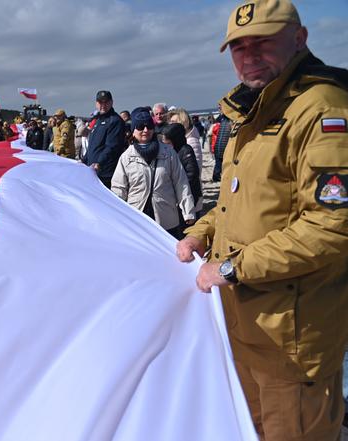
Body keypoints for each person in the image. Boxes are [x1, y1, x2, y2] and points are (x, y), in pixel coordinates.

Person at [177, 1, 348, 439]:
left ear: (299, 39)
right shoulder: (252, 111)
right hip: (244, 329)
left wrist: (233, 267)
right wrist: (202, 231)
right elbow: (242, 200)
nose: (249, 55)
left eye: (263, 42)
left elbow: (333, 226)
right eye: (239, 47)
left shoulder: (322, 109)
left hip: (291, 341)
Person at [111, 107, 194, 238]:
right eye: (140, 127)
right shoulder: (126, 157)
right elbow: (119, 188)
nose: (145, 130)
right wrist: (117, 216)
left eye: (149, 126)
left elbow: (181, 182)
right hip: (137, 217)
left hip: (166, 217)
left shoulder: (168, 153)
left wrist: (188, 212)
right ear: (133, 131)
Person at [161, 123, 202, 225]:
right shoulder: (172, 151)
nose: (165, 144)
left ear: (174, 139)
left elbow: (192, 174)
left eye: (167, 142)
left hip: (190, 195)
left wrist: (177, 187)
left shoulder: (186, 150)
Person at [84, 90, 126, 187]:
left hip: (105, 173)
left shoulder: (115, 121)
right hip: (92, 171)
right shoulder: (98, 120)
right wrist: (84, 159)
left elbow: (112, 146)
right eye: (100, 102)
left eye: (106, 102)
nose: (103, 105)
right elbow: (93, 145)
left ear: (111, 102)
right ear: (96, 104)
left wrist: (99, 162)